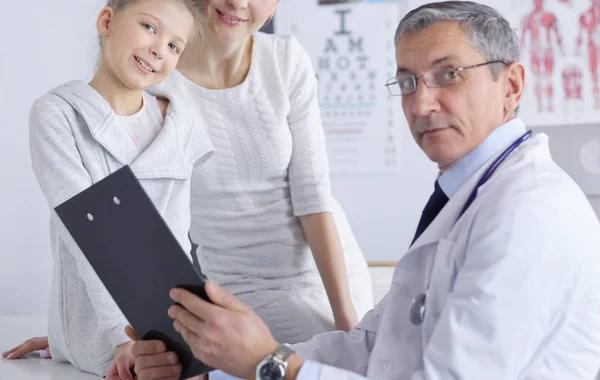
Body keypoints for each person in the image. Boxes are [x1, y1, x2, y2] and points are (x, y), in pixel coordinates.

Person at [129, 2, 600, 379]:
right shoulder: (465, 196)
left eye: (449, 74)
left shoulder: (529, 214)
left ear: (511, 85)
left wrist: (269, 365)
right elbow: (375, 346)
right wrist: (220, 369)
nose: (422, 102)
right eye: (408, 81)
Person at [1, 0, 214, 378]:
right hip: (104, 341)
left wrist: (192, 336)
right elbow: (88, 233)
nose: (158, 49)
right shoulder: (59, 115)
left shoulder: (181, 123)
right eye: (149, 27)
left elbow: (179, 240)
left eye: (173, 46)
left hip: (174, 331)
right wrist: (120, 337)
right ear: (106, 20)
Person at [156, 0, 373, 343]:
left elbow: (313, 197)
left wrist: (349, 323)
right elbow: (148, 223)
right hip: (243, 286)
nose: (238, 3)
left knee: (357, 360)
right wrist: (119, 337)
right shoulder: (157, 83)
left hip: (333, 274)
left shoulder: (285, 60)